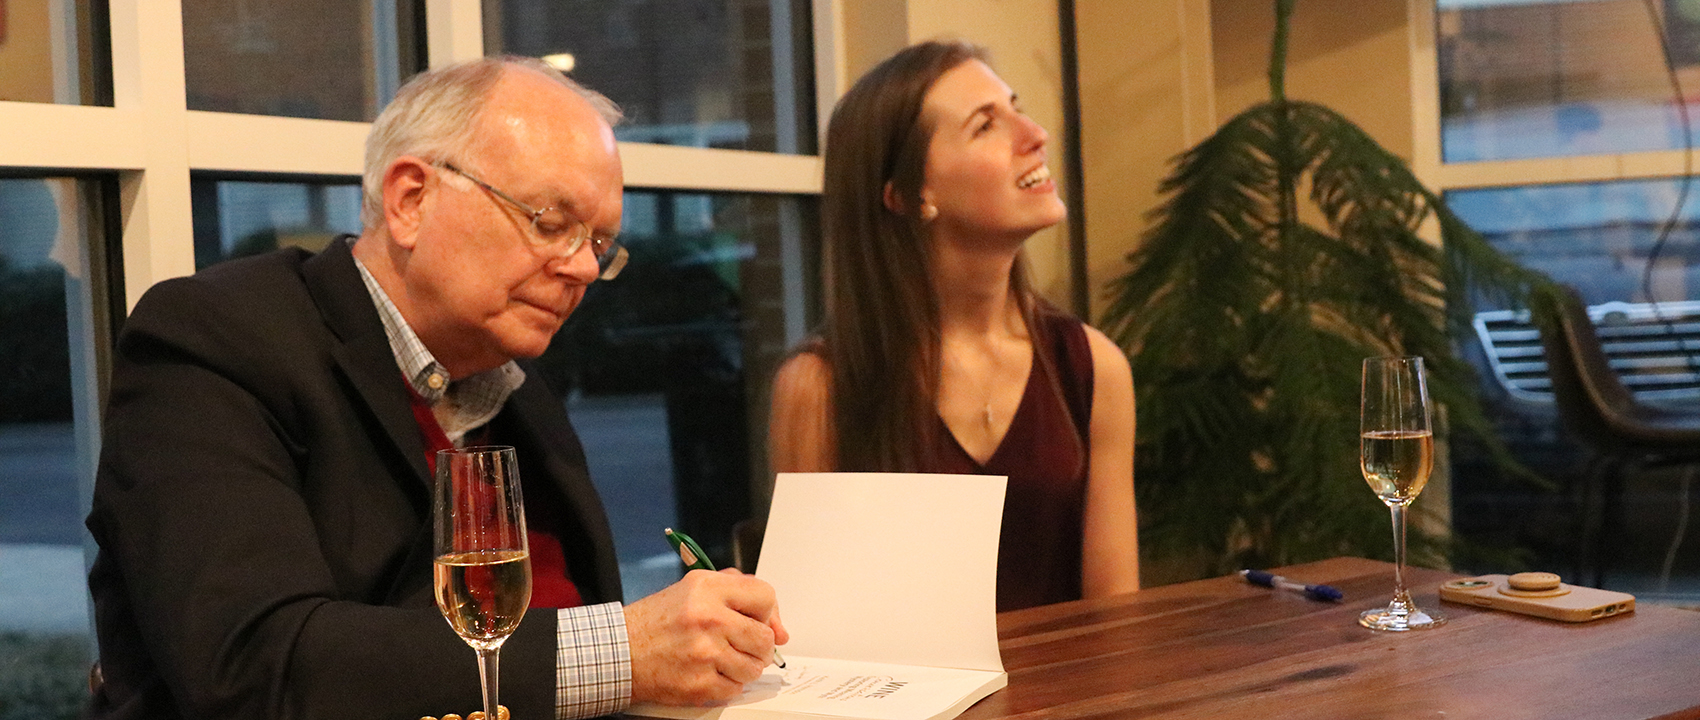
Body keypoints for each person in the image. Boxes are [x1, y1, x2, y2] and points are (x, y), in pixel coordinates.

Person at [86, 56, 786, 720]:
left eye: (600, 244)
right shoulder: (215, 340)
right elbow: (256, 666)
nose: (580, 268)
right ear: (410, 199)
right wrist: (624, 652)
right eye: (550, 223)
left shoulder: (518, 388)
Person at [767, 40, 1140, 612]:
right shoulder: (819, 388)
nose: (1035, 134)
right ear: (909, 194)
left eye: (1016, 108)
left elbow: (1116, 615)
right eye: (986, 125)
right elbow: (812, 628)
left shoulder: (1094, 366)